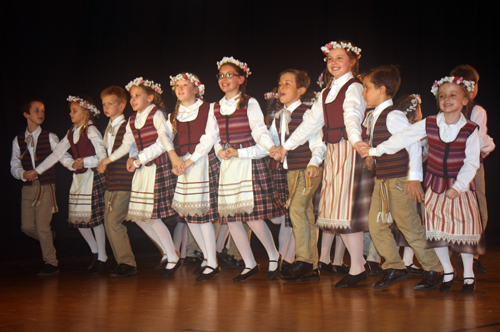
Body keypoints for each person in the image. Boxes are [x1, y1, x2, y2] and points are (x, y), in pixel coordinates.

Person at [363, 73, 484, 292]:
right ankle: (420, 269)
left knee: (455, 232)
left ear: (465, 100)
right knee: (429, 231)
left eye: (453, 95)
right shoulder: (429, 123)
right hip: (429, 185)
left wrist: (418, 179)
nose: (446, 99)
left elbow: (471, 162)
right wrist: (374, 151)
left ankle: (459, 273)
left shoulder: (470, 130)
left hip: (456, 188)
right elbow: (402, 138)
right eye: (442, 96)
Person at [273, 41, 373, 288]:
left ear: (352, 62)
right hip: (334, 152)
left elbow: (352, 115)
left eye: (339, 58)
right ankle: (357, 266)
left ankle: (359, 266)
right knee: (335, 212)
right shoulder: (328, 91)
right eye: (330, 59)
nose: (334, 63)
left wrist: (357, 141)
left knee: (346, 211)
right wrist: (287, 146)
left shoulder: (354, 87)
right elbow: (309, 123)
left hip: (350, 149)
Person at [209, 56, 285, 281]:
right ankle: (249, 263)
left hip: (247, 162)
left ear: (241, 79)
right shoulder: (215, 106)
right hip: (228, 164)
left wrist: (271, 147)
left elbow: (259, 130)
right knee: (231, 218)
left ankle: (273, 256)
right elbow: (213, 137)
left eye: (229, 75)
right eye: (221, 75)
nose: (224, 79)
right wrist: (218, 150)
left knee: (252, 217)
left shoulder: (249, 102)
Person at [98, 77, 181, 279]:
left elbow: (163, 142)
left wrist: (139, 159)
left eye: (138, 96)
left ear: (150, 97)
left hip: (157, 168)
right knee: (141, 217)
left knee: (152, 216)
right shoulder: (133, 119)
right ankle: (170, 254)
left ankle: (173, 256)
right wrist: (110, 160)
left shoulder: (157, 114)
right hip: (142, 169)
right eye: (132, 96)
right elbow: (127, 146)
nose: (134, 100)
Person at [33, 96, 108, 274]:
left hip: (92, 177)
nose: (70, 113)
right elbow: (57, 153)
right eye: (71, 111)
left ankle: (103, 257)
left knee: (94, 220)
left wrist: (86, 161)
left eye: (74, 111)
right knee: (79, 220)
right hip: (79, 178)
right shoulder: (72, 131)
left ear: (86, 112)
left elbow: (103, 155)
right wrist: (38, 171)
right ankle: (94, 251)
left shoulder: (91, 130)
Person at [269, 69, 325, 281]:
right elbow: (276, 143)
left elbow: (318, 144)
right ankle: (311, 264)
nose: (281, 87)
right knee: (305, 213)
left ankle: (302, 261)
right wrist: (273, 149)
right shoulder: (279, 117)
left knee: (297, 209)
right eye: (280, 83)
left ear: (301, 90)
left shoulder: (307, 113)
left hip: (307, 169)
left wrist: (314, 163)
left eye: (287, 84)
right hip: (292, 170)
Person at [167, 72, 220, 281]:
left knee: (202, 216)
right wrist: (175, 159)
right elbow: (164, 138)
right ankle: (207, 258)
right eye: (177, 85)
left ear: (197, 89)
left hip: (202, 162)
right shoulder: (173, 116)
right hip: (184, 165)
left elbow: (210, 137)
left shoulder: (208, 109)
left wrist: (189, 161)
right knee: (189, 216)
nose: (180, 89)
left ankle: (213, 262)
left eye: (185, 85)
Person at [450, 65, 495, 274]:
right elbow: (480, 140)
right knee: (475, 211)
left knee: (469, 210)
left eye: (475, 83)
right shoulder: (474, 111)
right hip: (464, 166)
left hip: (459, 166)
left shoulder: (467, 110)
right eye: (471, 83)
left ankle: (467, 254)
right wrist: (489, 146)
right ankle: (467, 254)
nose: (474, 87)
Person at [11, 100, 61, 276]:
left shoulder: (50, 137)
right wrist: (23, 174)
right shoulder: (18, 140)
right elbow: (14, 164)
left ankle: (51, 263)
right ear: (26, 114)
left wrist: (74, 164)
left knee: (41, 227)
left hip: (46, 186)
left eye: (43, 111)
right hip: (28, 188)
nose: (41, 113)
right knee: (27, 228)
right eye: (36, 110)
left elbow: (61, 154)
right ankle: (49, 237)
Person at [100, 86, 137, 277]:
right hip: (111, 181)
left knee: (114, 221)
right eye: (104, 104)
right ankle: (122, 262)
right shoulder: (109, 128)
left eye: (110, 104)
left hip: (123, 181)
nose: (106, 107)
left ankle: (127, 263)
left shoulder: (127, 125)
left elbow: (133, 149)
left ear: (121, 106)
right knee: (109, 222)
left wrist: (132, 160)